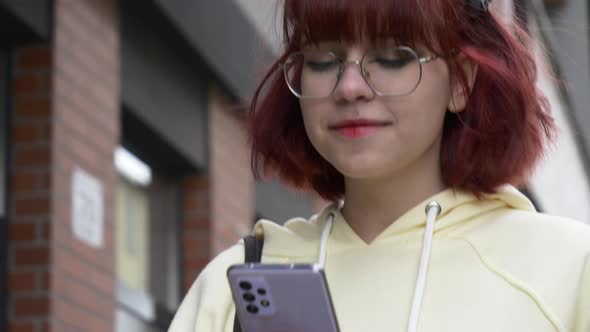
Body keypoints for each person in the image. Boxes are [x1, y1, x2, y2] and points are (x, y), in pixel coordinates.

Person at [168, 0, 590, 331]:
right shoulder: (235, 284)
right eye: (323, 60)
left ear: (461, 81)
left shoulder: (568, 269)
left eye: (392, 57)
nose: (350, 87)